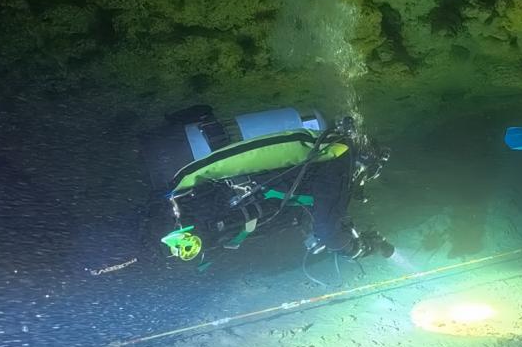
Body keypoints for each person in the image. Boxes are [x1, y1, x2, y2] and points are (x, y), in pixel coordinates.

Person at [137, 105, 394, 270]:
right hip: (209, 201)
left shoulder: (324, 156)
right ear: (366, 161)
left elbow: (303, 204)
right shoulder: (339, 158)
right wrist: (355, 248)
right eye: (369, 173)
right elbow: (327, 228)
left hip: (207, 196)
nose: (363, 180)